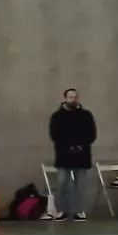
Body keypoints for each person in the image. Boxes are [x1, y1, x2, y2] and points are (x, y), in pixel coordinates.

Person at [48, 88, 96, 221]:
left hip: (82, 155)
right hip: (64, 155)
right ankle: (62, 210)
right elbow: (54, 134)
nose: (73, 100)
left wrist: (81, 145)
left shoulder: (86, 115)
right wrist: (68, 146)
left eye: (75, 97)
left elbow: (91, 134)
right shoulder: (57, 116)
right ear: (65, 98)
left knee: (80, 186)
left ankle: (79, 211)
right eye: (70, 97)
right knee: (63, 184)